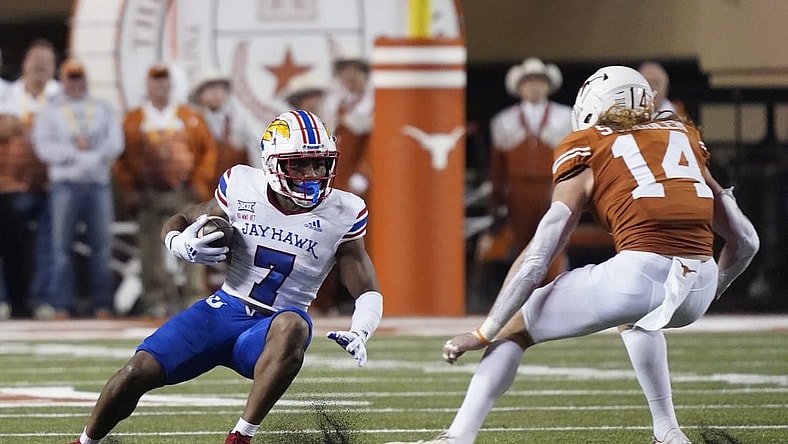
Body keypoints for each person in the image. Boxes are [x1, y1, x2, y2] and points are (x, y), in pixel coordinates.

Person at [385, 66, 759, 444]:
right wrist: (709, 290)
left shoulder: (589, 144)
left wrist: (485, 331)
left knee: (514, 328)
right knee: (636, 320)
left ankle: (457, 438)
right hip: (700, 280)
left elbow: (538, 256)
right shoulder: (684, 137)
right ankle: (667, 432)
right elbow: (746, 241)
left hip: (638, 275)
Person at [66, 109, 383, 444]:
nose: (313, 173)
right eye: (300, 164)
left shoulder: (344, 211)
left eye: (320, 163)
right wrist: (180, 243)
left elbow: (366, 286)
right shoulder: (242, 185)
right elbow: (181, 218)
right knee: (135, 372)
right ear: (273, 164)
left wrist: (361, 328)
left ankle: (240, 437)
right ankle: (85, 442)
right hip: (221, 310)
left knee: (295, 324)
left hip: (270, 332)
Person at [114, 63, 218, 317]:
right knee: (150, 248)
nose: (161, 86)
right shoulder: (133, 120)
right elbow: (121, 158)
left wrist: (199, 183)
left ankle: (194, 295)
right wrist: (131, 189)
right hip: (148, 192)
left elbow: (208, 151)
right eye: (156, 81)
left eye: (164, 81)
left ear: (171, 85)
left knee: (194, 239)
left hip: (184, 192)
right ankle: (156, 298)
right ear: (148, 86)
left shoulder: (189, 117)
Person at [31, 58, 124, 318]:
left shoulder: (102, 108)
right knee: (60, 248)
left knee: (102, 248)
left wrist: (91, 157)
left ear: (86, 79)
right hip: (65, 184)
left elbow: (115, 143)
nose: (76, 82)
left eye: (79, 77)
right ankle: (61, 304)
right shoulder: (51, 110)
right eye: (71, 77)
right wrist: (76, 155)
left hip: (97, 185)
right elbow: (43, 146)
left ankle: (103, 304)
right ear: (63, 80)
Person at [485, 57, 573, 284]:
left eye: (539, 81)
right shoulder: (504, 121)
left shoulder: (565, 117)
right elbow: (497, 169)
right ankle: (525, 297)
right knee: (523, 246)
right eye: (529, 81)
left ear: (548, 85)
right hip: (518, 190)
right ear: (519, 87)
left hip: (552, 188)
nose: (534, 86)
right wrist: (496, 203)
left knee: (553, 242)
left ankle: (553, 291)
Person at [0, 38, 61, 319]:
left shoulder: (61, 96)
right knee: (6, 246)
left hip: (52, 185)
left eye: (45, 63)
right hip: (8, 184)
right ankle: (4, 300)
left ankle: (43, 300)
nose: (38, 68)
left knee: (49, 247)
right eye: (34, 62)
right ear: (24, 64)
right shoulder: (5, 93)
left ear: (53, 68)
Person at [189, 71, 260, 176]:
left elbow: (255, 152)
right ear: (199, 95)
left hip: (236, 184)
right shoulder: (192, 123)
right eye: (210, 88)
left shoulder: (239, 121)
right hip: (204, 186)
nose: (216, 92)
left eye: (220, 88)